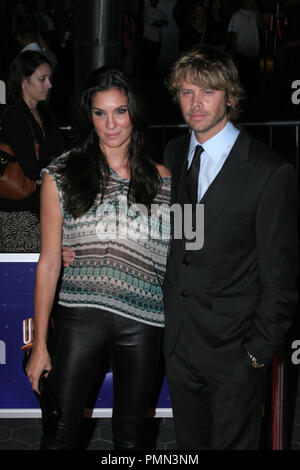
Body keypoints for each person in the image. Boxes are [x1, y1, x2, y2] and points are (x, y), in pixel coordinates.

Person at [26, 66, 171, 450]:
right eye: (100, 112)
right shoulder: (61, 174)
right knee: (59, 432)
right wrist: (41, 343)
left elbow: (179, 254)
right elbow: (49, 262)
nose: (110, 124)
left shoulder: (163, 181)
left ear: (134, 112)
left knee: (132, 437)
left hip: (144, 320)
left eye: (119, 111)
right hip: (80, 317)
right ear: (88, 116)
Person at [162, 45, 297, 450]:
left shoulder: (269, 172)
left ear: (230, 97)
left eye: (208, 91)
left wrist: (256, 354)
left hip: (235, 353)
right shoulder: (174, 152)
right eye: (186, 92)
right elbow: (186, 240)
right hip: (181, 343)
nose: (196, 103)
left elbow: (281, 280)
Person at [0, 50, 64, 252]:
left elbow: (59, 154)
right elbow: (31, 168)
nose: (49, 85)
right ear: (23, 81)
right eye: (42, 79)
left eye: (49, 78)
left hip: (43, 207)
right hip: (18, 211)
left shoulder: (45, 113)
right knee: (23, 274)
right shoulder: (14, 116)